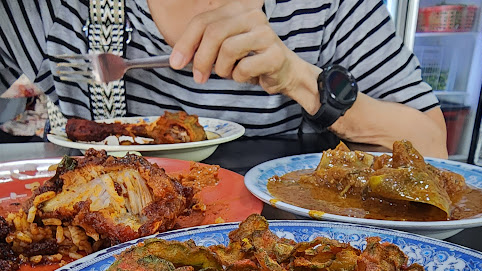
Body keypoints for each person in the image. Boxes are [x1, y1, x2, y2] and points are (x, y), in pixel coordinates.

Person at [0, 0, 447, 157]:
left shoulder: (328, 8)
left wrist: (296, 77)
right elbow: (12, 113)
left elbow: (430, 145)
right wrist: (34, 117)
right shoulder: (53, 10)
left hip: (284, 240)